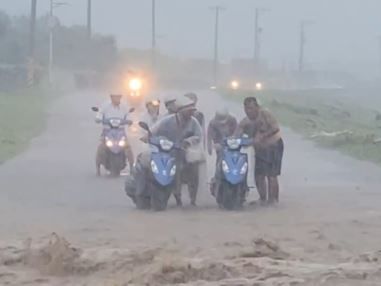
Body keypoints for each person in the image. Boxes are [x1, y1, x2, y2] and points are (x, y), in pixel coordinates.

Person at [139, 97, 203, 207]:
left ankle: (193, 198)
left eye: (192, 111)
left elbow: (198, 136)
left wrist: (188, 141)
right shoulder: (167, 120)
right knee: (149, 163)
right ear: (181, 111)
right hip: (166, 151)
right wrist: (147, 137)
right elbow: (154, 129)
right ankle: (174, 195)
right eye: (188, 111)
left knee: (193, 169)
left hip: (183, 150)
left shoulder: (194, 122)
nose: (191, 113)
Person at [236, 97, 284, 205]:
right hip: (260, 149)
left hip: (274, 146)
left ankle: (273, 200)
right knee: (259, 175)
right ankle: (262, 198)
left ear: (257, 107)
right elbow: (237, 134)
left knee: (271, 175)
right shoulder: (245, 122)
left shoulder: (265, 114)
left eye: (251, 108)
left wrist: (262, 136)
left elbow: (275, 128)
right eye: (246, 109)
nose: (249, 111)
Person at [95, 94, 134, 176]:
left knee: (128, 148)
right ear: (111, 97)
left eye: (118, 97)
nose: (117, 99)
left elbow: (129, 115)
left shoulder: (124, 106)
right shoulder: (105, 106)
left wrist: (129, 120)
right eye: (115, 97)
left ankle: (132, 168)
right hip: (107, 131)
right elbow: (100, 113)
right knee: (101, 148)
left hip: (120, 131)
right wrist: (98, 119)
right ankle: (98, 168)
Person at [207, 108, 238, 195]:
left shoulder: (232, 120)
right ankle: (217, 179)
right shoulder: (213, 123)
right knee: (220, 161)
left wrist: (235, 140)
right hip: (220, 146)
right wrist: (210, 147)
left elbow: (237, 132)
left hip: (232, 144)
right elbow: (209, 136)